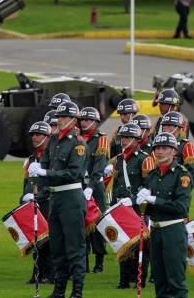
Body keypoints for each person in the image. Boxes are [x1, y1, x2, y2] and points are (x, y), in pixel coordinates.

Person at [29, 101, 87, 298]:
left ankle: (77, 291)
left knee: (74, 246)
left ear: (72, 119)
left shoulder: (77, 143)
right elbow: (44, 164)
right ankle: (59, 290)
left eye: (63, 117)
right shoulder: (53, 140)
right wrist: (36, 175)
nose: (59, 121)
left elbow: (73, 173)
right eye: (58, 117)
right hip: (55, 197)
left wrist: (44, 172)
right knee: (58, 246)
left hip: (71, 197)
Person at [136, 132, 193, 298]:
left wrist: (154, 200)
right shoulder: (152, 175)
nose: (160, 151)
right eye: (157, 148)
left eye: (165, 148)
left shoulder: (181, 175)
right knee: (160, 282)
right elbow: (148, 209)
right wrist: (140, 203)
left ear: (174, 151)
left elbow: (181, 208)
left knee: (175, 281)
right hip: (156, 231)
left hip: (173, 231)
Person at [111, 122, 152, 289]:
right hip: (121, 206)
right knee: (123, 242)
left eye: (128, 137)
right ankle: (124, 279)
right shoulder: (119, 159)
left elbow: (148, 187)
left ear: (136, 139)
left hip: (137, 207)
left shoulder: (145, 159)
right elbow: (116, 184)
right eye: (122, 137)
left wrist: (134, 199)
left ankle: (139, 279)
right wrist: (113, 203)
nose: (124, 140)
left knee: (140, 244)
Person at [22, 121, 55, 284]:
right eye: (33, 135)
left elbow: (53, 182)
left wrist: (38, 196)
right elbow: (27, 182)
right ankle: (37, 273)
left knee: (48, 240)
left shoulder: (53, 156)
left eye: (39, 134)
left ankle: (49, 274)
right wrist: (24, 198)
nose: (35, 138)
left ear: (48, 137)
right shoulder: (32, 158)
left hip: (48, 202)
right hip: (33, 203)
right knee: (35, 239)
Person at [78, 107, 108, 274]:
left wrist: (90, 188)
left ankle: (99, 261)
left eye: (88, 120)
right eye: (82, 119)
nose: (84, 123)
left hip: (94, 187)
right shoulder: (77, 138)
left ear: (96, 122)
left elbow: (99, 167)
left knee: (96, 225)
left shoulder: (101, 140)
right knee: (81, 226)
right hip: (79, 185)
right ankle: (85, 261)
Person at [159, 111, 194, 188]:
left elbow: (191, 173)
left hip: (176, 188)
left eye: (169, 125)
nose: (164, 128)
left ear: (178, 127)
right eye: (164, 125)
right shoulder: (159, 145)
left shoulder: (187, 146)